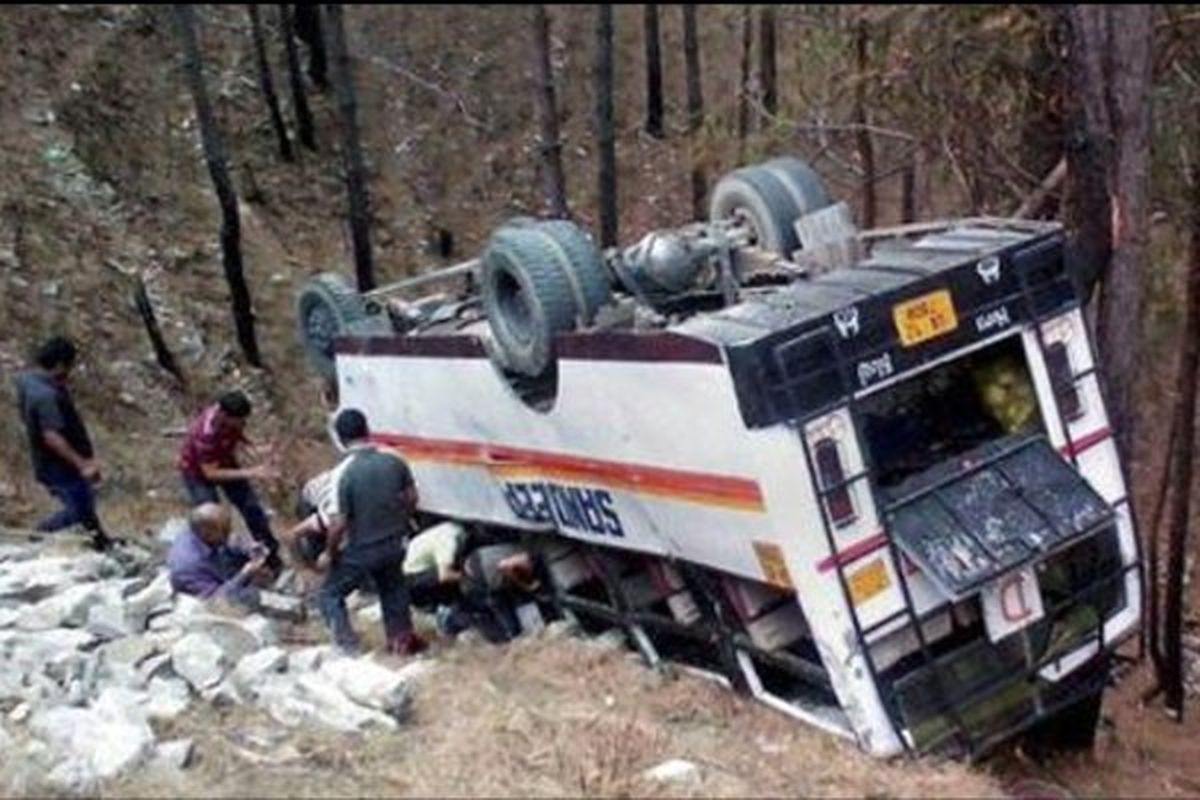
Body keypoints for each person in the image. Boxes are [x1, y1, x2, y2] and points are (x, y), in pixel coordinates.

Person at [317, 408, 426, 656]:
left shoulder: (342, 474)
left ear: (341, 438)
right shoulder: (394, 460)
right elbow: (412, 498)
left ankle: (347, 649)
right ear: (367, 430)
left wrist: (329, 553)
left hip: (362, 549)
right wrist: (402, 523)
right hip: (394, 542)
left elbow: (338, 524)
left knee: (330, 593)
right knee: (393, 590)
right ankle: (401, 643)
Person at [14, 336, 115, 551]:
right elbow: (51, 436)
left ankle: (101, 542)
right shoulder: (46, 396)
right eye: (69, 366)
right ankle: (39, 534)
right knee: (79, 508)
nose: (70, 372)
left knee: (84, 504)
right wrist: (83, 464)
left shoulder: (28, 381)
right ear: (60, 364)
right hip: (58, 465)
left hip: (49, 461)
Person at [178, 390, 282, 571]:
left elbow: (237, 433)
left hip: (224, 459)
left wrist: (255, 448)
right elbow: (211, 473)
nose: (243, 423)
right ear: (225, 415)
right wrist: (253, 472)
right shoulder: (205, 434)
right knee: (213, 521)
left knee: (252, 507)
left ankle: (270, 553)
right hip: (198, 474)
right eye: (239, 420)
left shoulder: (231, 418)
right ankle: (223, 564)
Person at [167, 502, 272, 606]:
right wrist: (245, 573)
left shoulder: (198, 531)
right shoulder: (189, 565)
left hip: (210, 568)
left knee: (236, 556)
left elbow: (227, 540)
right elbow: (216, 598)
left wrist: (247, 547)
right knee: (251, 596)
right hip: (204, 599)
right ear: (207, 533)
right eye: (225, 531)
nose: (229, 533)